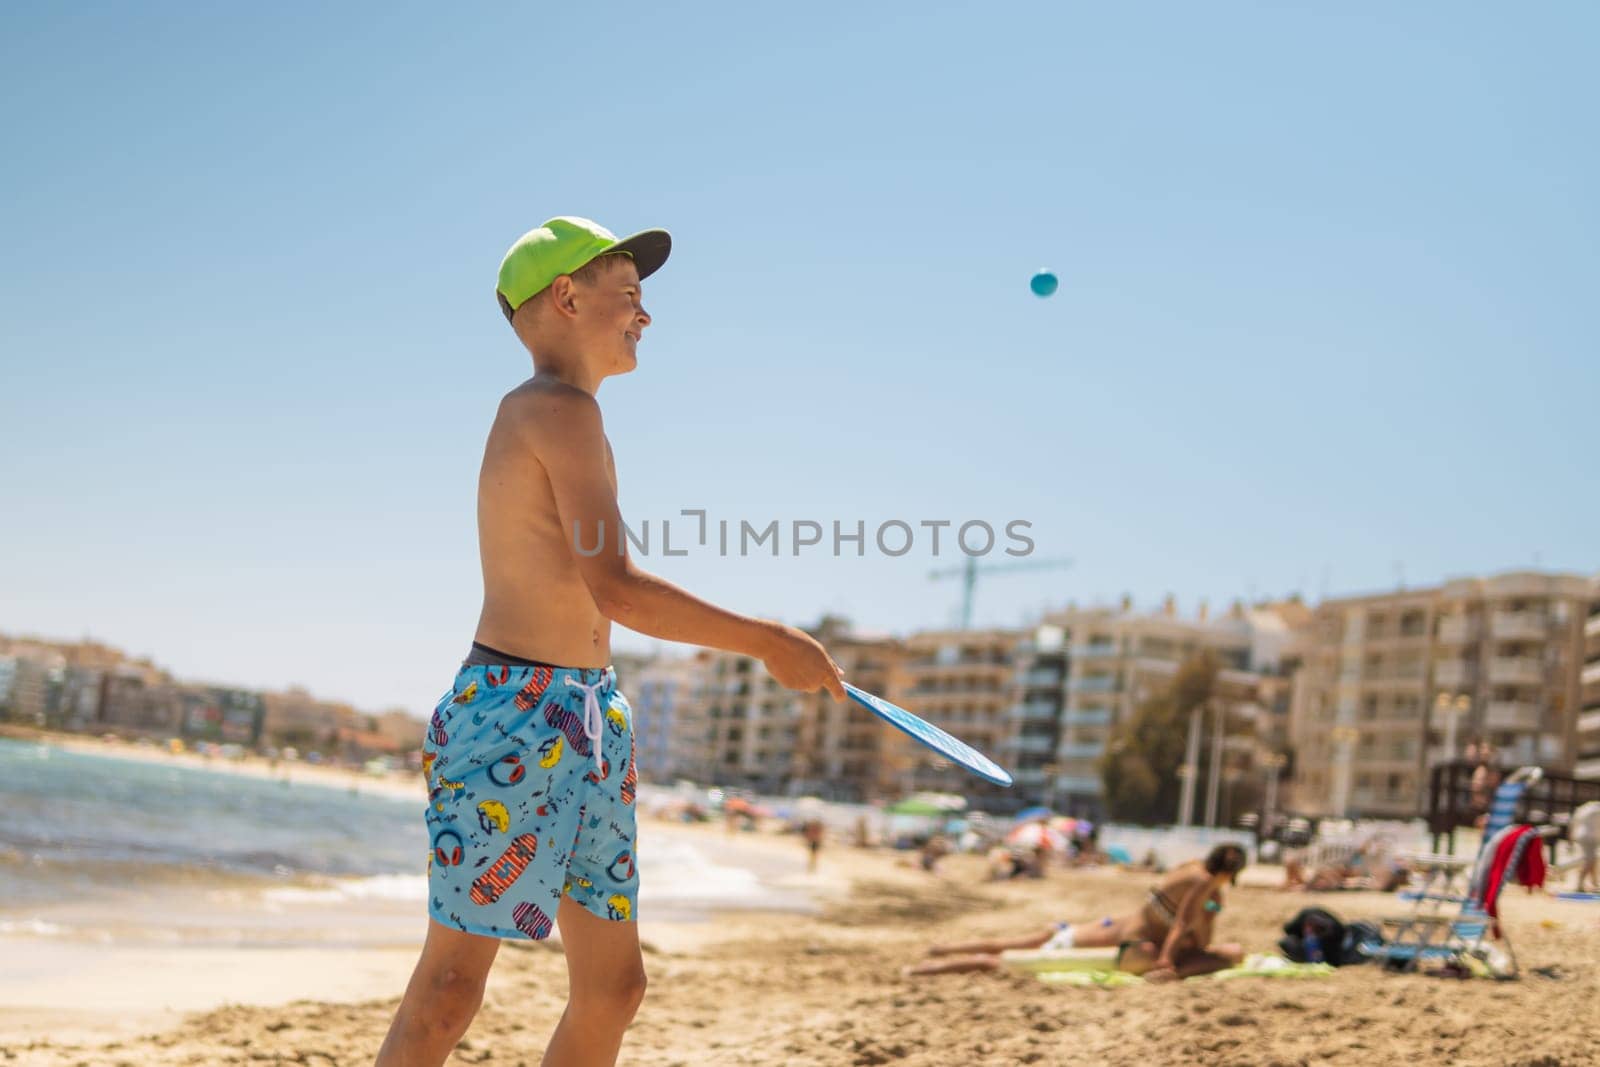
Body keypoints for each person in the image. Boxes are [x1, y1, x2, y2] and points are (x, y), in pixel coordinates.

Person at [375, 217, 845, 1067]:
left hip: (589, 714)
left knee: (615, 988)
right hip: (513, 714)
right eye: (630, 294)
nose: (646, 315)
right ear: (565, 297)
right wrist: (769, 641)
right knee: (448, 992)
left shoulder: (575, 415)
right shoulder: (551, 410)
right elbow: (618, 588)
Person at [908, 843, 1249, 981]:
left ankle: (940, 952)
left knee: (1009, 944)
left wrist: (1209, 913)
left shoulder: (1189, 868)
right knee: (999, 959)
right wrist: (1168, 961)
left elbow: (1187, 921)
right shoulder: (1205, 882)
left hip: (1102, 929)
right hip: (1116, 942)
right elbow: (1184, 923)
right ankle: (927, 968)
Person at [1572, 800, 1600, 893]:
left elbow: (1573, 821)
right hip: (1590, 837)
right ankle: (1579, 884)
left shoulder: (1586, 807)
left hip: (1583, 836)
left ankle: (1595, 884)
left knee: (1593, 859)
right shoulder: (1596, 809)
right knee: (1589, 860)